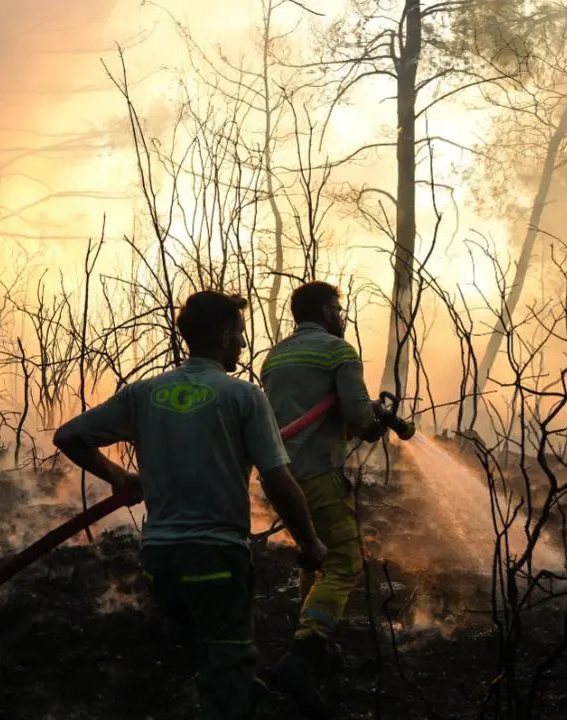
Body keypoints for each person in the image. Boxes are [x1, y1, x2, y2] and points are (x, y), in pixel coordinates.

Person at [53, 290, 327, 720]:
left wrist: (118, 476)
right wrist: (310, 543)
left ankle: (233, 685)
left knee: (209, 656)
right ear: (223, 336)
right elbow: (279, 483)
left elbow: (69, 436)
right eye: (239, 333)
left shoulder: (143, 394)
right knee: (228, 680)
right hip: (215, 560)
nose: (243, 343)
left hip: (159, 564)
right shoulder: (243, 396)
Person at [258, 281, 386, 713]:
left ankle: (315, 641)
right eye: (338, 310)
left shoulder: (275, 356)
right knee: (343, 562)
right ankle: (305, 652)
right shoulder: (338, 351)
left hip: (280, 477)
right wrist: (371, 423)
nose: (342, 318)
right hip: (319, 474)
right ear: (328, 312)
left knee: (314, 554)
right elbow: (357, 413)